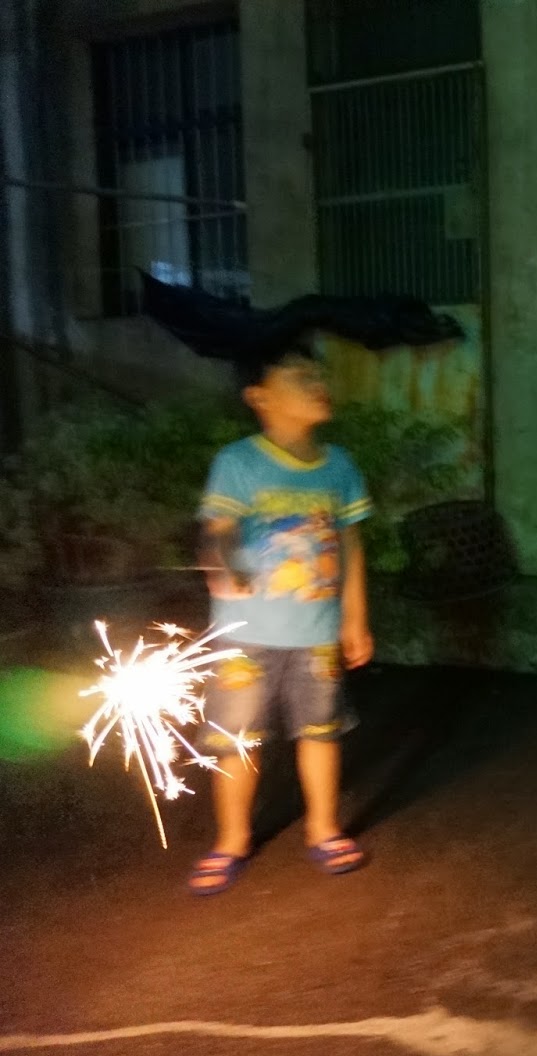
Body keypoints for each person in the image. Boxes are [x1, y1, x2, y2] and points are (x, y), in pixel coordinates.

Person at [187, 341, 374, 896]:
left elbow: (350, 546)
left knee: (321, 732)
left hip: (316, 634)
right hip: (245, 638)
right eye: (299, 377)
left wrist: (355, 619)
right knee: (236, 739)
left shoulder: (339, 466)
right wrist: (220, 565)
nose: (317, 384)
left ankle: (324, 828)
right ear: (260, 397)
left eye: (318, 375)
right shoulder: (238, 463)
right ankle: (232, 839)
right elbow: (217, 531)